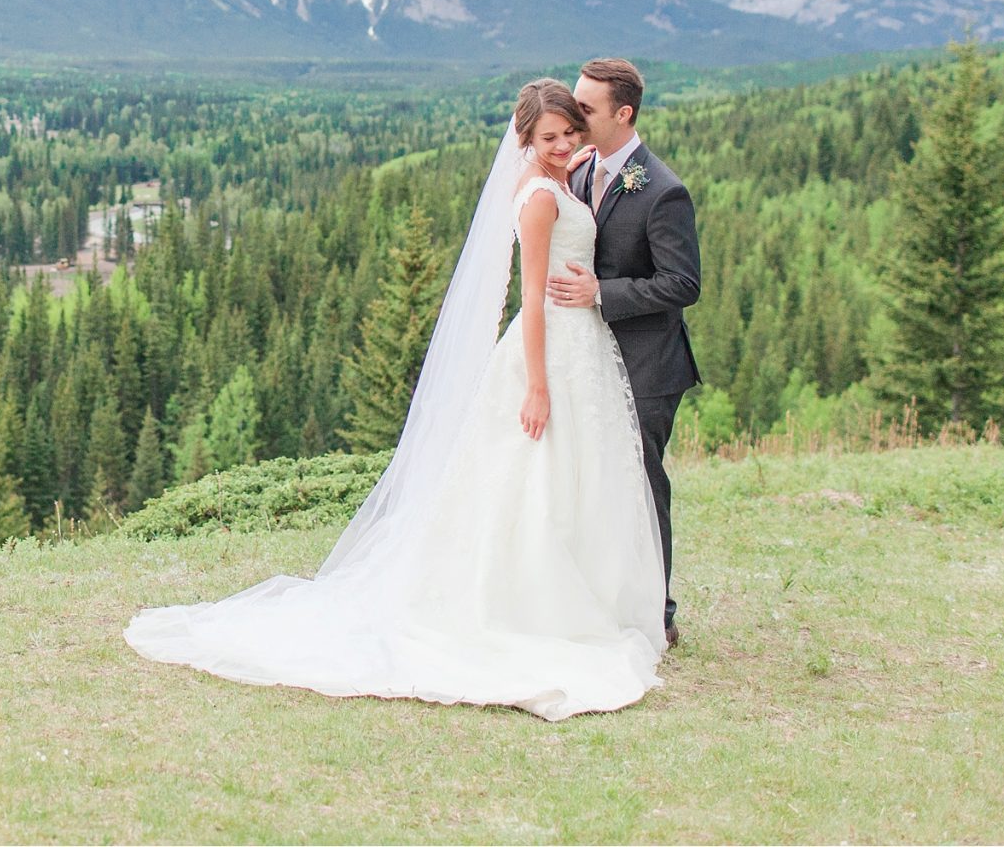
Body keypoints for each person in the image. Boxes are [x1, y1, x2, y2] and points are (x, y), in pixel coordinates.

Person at [123, 79, 668, 720]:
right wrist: (539, 384)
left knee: (568, 476)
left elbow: (559, 191)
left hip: (578, 344)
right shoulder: (542, 198)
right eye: (550, 137)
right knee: (538, 480)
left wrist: (565, 161)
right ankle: (538, 606)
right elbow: (532, 295)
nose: (566, 143)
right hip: (551, 347)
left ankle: (579, 594)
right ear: (524, 140)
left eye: (572, 132)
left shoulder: (548, 176)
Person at [551, 57, 701, 645]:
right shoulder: (583, 167)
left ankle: (656, 610)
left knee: (642, 482)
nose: (573, 115)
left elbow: (683, 284)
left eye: (585, 108)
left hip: (648, 365)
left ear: (623, 113)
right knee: (598, 480)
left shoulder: (663, 190)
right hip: (591, 360)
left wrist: (599, 293)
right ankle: (602, 596)